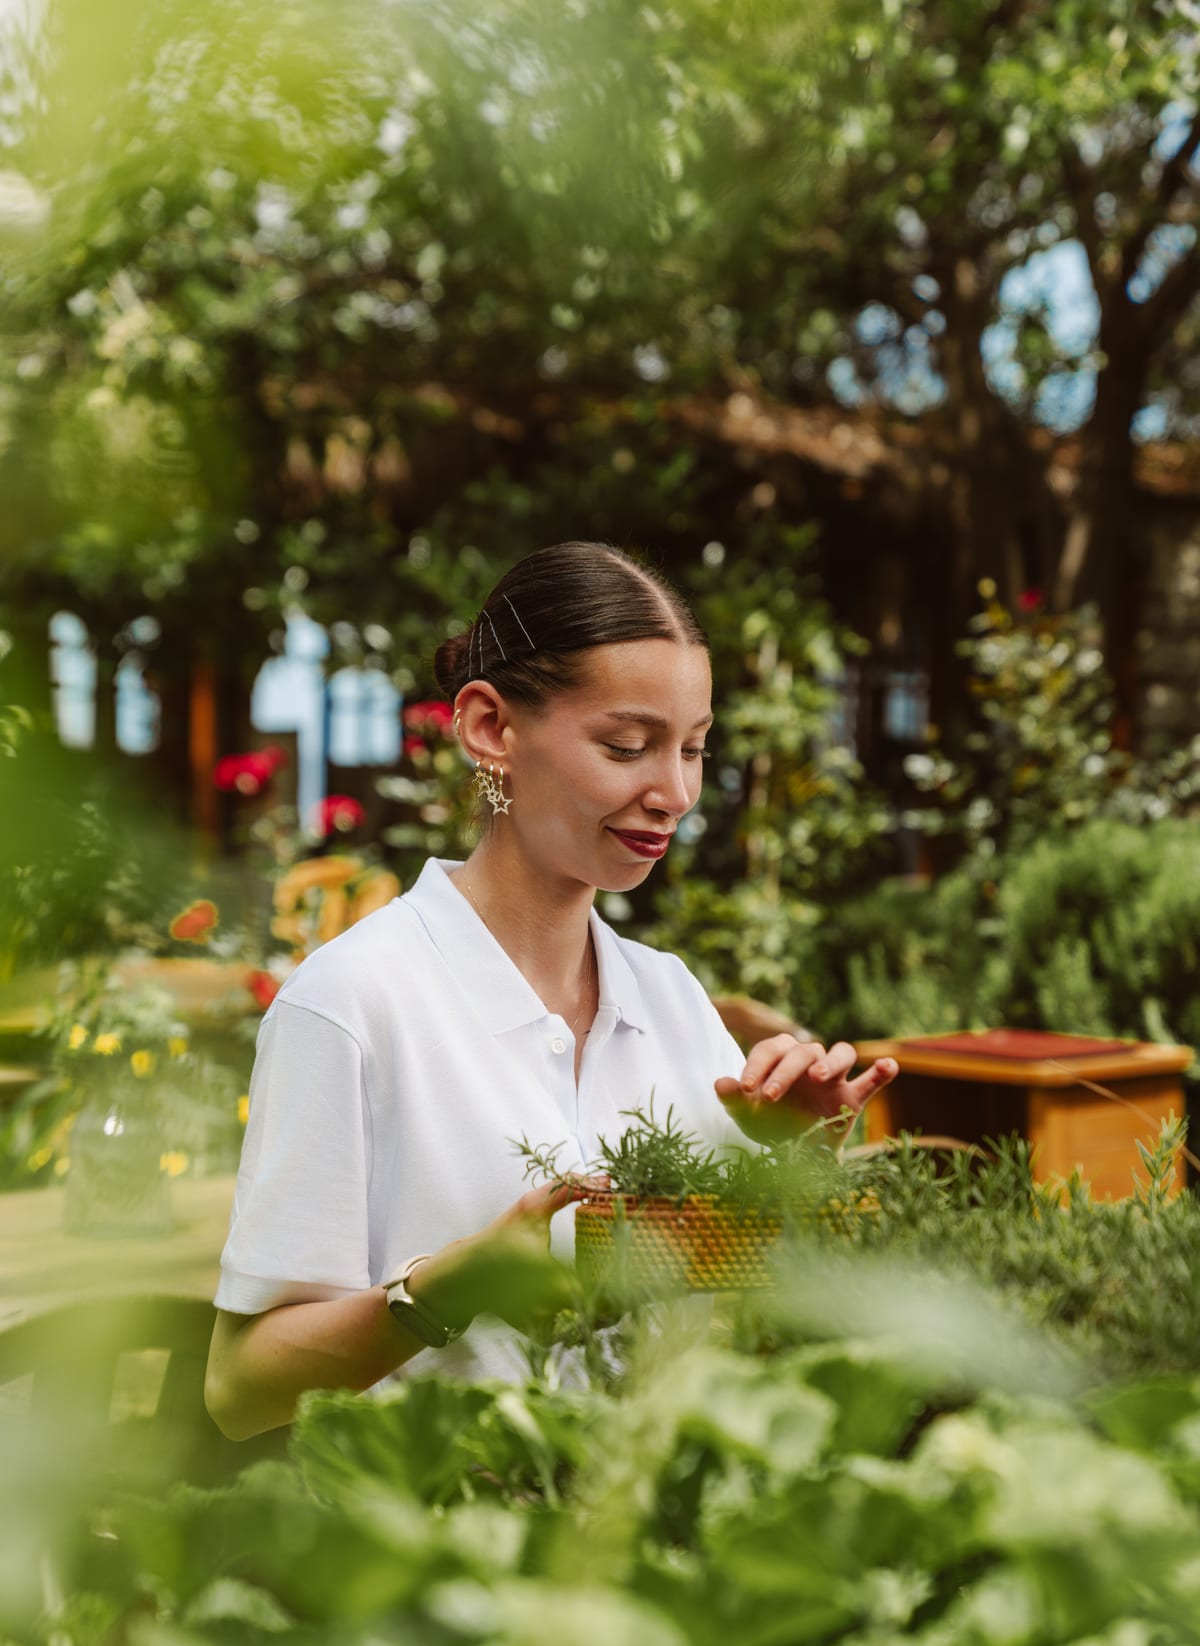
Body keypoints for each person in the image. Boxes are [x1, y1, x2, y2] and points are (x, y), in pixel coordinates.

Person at [205, 543, 897, 1440]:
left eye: (692, 749)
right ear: (491, 727)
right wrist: (444, 1291)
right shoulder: (350, 1004)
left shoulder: (674, 1002)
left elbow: (744, 1299)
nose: (676, 792)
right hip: (437, 1548)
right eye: (627, 746)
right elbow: (239, 1391)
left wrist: (782, 1155)